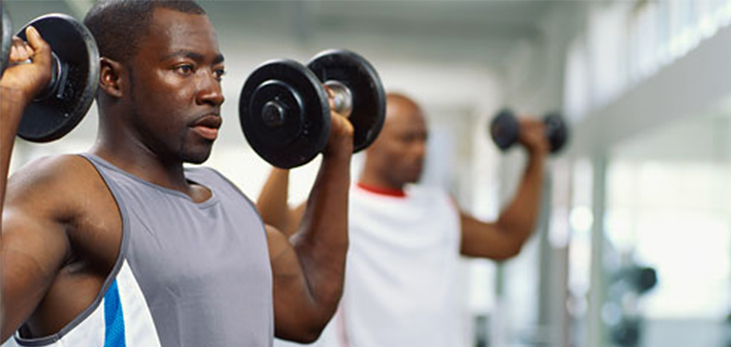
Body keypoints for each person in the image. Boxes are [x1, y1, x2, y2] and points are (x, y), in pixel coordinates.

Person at [0, 1, 355, 346]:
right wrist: (9, 98)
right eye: (186, 68)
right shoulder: (65, 187)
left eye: (217, 73)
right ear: (111, 78)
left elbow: (308, 307)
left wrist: (338, 148)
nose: (213, 92)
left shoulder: (225, 197)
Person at [258, 92, 550, 347]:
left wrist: (536, 157)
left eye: (424, 139)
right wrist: (289, 142)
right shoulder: (337, 206)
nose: (420, 150)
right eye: (407, 138)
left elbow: (508, 240)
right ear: (370, 138)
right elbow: (268, 235)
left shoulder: (439, 209)